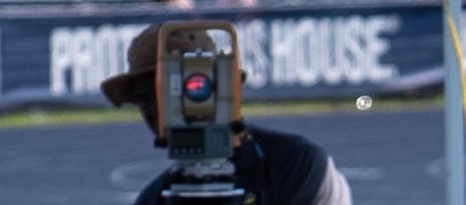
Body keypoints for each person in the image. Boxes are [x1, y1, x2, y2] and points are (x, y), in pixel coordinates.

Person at [101, 23, 352, 205]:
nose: (154, 110)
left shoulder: (294, 164)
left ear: (219, 87)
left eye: (168, 92)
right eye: (144, 99)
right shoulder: (155, 199)